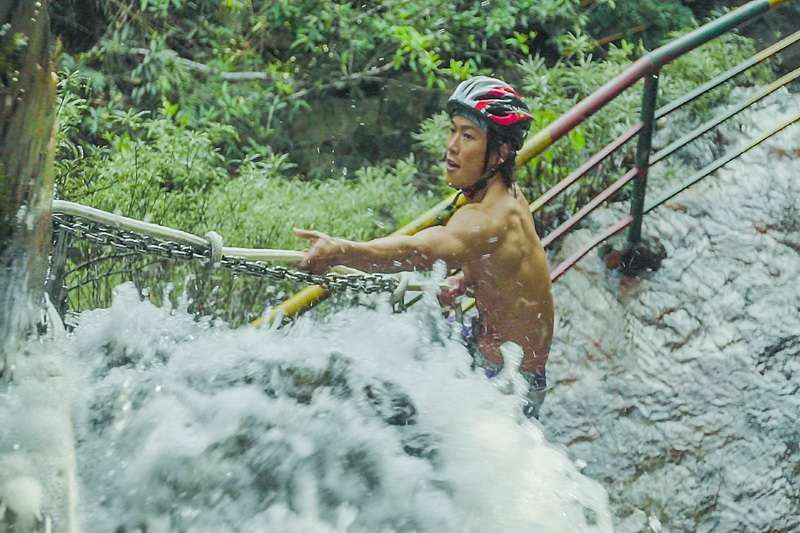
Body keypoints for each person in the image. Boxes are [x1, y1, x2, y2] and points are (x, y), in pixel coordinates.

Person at [295, 76, 554, 419]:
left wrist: (342, 250)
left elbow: (421, 250)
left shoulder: (488, 217)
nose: (451, 146)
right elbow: (504, 264)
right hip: (493, 352)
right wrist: (465, 280)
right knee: (396, 347)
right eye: (453, 130)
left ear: (501, 152)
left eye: (468, 136)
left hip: (508, 382)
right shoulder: (509, 196)